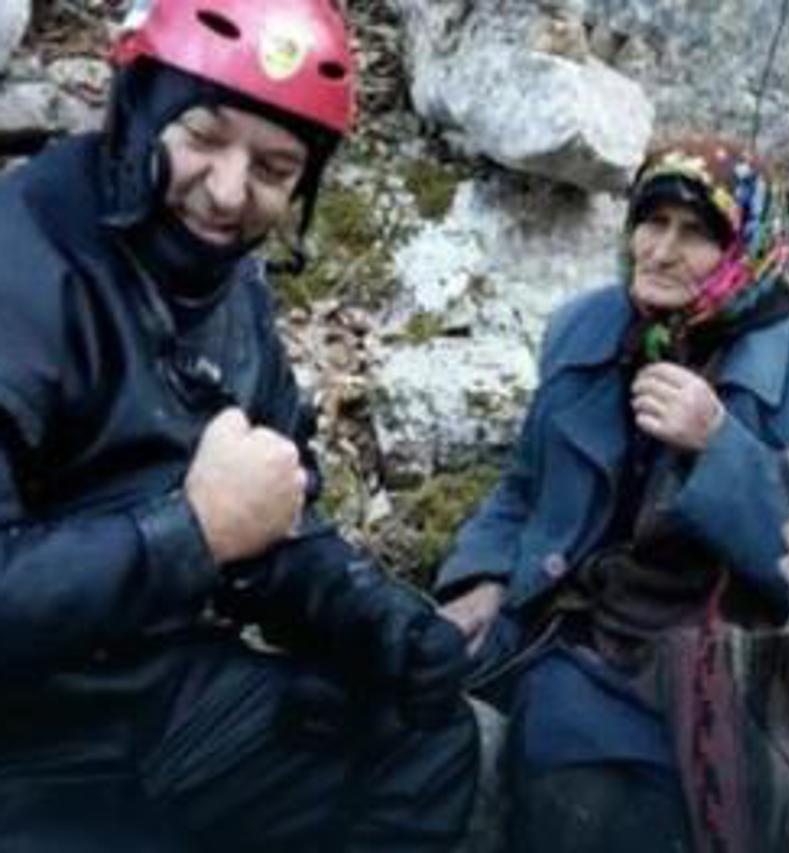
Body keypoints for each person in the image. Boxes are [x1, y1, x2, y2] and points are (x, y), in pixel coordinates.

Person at [0, 0, 477, 848]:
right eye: (204, 136)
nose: (227, 191)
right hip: (24, 739)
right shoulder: (20, 267)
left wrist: (371, 616)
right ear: (136, 109)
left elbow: (272, 518)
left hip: (156, 700)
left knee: (424, 735)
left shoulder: (234, 294)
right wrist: (189, 534)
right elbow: (220, 523)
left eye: (274, 167)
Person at [437, 136, 789, 853]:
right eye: (651, 222)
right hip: (577, 625)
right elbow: (525, 482)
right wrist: (482, 575)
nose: (660, 251)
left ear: (749, 248)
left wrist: (718, 447)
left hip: (729, 651)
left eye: (695, 234)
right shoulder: (585, 329)